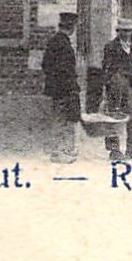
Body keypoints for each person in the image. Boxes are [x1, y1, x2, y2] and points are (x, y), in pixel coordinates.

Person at [101, 22, 132, 160]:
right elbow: (106, 67)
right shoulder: (110, 46)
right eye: (123, 31)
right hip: (115, 84)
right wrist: (109, 85)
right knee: (113, 117)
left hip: (127, 85)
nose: (126, 34)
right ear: (118, 31)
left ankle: (131, 150)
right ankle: (114, 151)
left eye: (129, 31)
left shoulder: (130, 47)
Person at [41, 11, 81, 163]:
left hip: (57, 88)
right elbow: (65, 70)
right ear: (72, 27)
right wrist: (71, 87)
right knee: (62, 120)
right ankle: (58, 153)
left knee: (60, 119)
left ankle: (60, 151)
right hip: (64, 89)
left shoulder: (53, 42)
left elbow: (45, 65)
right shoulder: (64, 45)